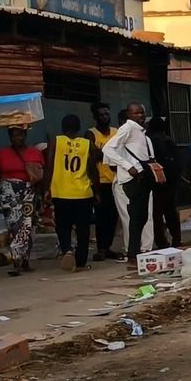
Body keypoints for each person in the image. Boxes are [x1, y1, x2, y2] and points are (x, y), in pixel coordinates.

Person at [101, 103, 161, 264]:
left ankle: (137, 251)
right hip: (132, 179)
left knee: (141, 217)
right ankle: (133, 253)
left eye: (142, 112)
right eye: (136, 113)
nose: (140, 115)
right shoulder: (128, 128)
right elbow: (107, 149)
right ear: (129, 115)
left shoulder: (142, 134)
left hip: (143, 177)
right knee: (135, 217)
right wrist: (129, 166)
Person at [0, 125, 46, 275]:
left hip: (29, 191)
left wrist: (43, 194)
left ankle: (25, 260)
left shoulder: (34, 152)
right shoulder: (2, 154)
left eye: (20, 135)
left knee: (27, 226)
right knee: (14, 226)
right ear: (10, 137)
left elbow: (41, 175)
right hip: (8, 192)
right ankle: (17, 262)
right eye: (14, 136)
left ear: (25, 135)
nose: (17, 138)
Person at [50, 114, 96, 272]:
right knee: (83, 229)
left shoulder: (56, 141)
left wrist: (45, 189)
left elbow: (49, 166)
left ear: (63, 128)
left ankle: (67, 250)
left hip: (61, 192)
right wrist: (96, 190)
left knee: (63, 226)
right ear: (78, 128)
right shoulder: (87, 144)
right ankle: (81, 262)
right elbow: (93, 167)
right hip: (83, 193)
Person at [88, 102, 120, 260]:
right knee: (101, 217)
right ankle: (101, 248)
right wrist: (110, 154)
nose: (104, 117)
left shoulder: (116, 132)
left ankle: (107, 247)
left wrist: (104, 154)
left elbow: (118, 154)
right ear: (95, 117)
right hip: (99, 182)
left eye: (106, 113)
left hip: (115, 180)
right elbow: (93, 158)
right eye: (101, 114)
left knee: (113, 217)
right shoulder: (90, 134)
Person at [148, 115, 184, 249]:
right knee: (171, 212)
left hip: (156, 181)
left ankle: (161, 241)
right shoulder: (169, 141)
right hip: (171, 181)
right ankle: (176, 238)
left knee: (156, 213)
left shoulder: (149, 141)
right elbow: (178, 162)